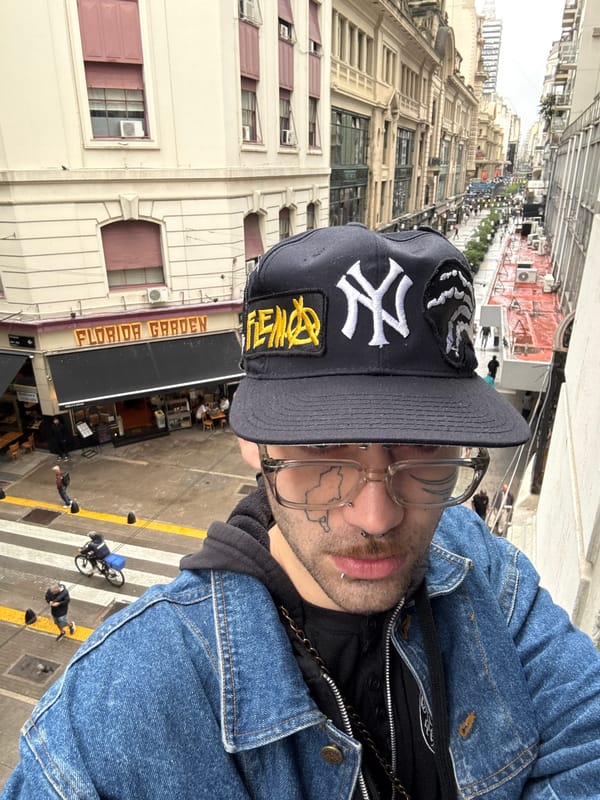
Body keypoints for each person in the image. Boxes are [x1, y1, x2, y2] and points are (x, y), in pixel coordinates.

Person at [3, 225, 600, 799]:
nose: (376, 516)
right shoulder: (121, 708)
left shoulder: (475, 563)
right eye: (321, 447)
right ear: (250, 444)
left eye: (423, 445)